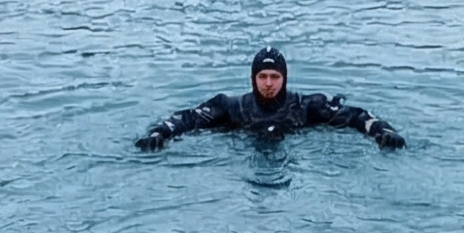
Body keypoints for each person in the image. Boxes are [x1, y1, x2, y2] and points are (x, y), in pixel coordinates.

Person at [136, 46, 404, 152]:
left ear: (284, 78)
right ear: (253, 78)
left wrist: (382, 131)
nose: (268, 83)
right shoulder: (233, 107)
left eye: (274, 77)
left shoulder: (306, 106)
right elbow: (188, 118)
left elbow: (356, 115)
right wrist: (160, 133)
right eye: (262, 76)